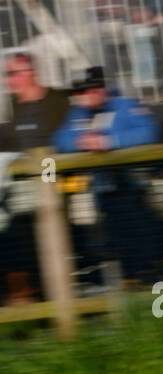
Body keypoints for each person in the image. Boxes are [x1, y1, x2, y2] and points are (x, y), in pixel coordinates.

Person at [52, 65, 161, 285]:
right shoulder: (78, 114)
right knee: (109, 241)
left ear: (100, 89)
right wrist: (80, 142)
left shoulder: (125, 106)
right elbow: (60, 139)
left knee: (138, 239)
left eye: (88, 90)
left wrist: (110, 142)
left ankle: (146, 281)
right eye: (79, 92)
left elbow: (149, 132)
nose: (84, 96)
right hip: (101, 193)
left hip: (131, 189)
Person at [0, 52, 70, 304]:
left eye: (12, 74)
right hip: (18, 183)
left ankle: (55, 297)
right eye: (6, 75)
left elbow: (65, 141)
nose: (8, 80)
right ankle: (23, 298)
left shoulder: (56, 102)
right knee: (12, 234)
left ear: (30, 73)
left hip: (53, 178)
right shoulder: (11, 107)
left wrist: (49, 178)